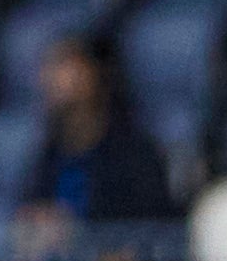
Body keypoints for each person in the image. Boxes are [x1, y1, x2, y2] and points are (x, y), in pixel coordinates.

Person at [33, 38, 179, 223]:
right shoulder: (49, 154)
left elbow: (146, 230)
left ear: (93, 73)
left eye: (63, 64)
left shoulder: (133, 155)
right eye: (48, 66)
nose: (48, 77)